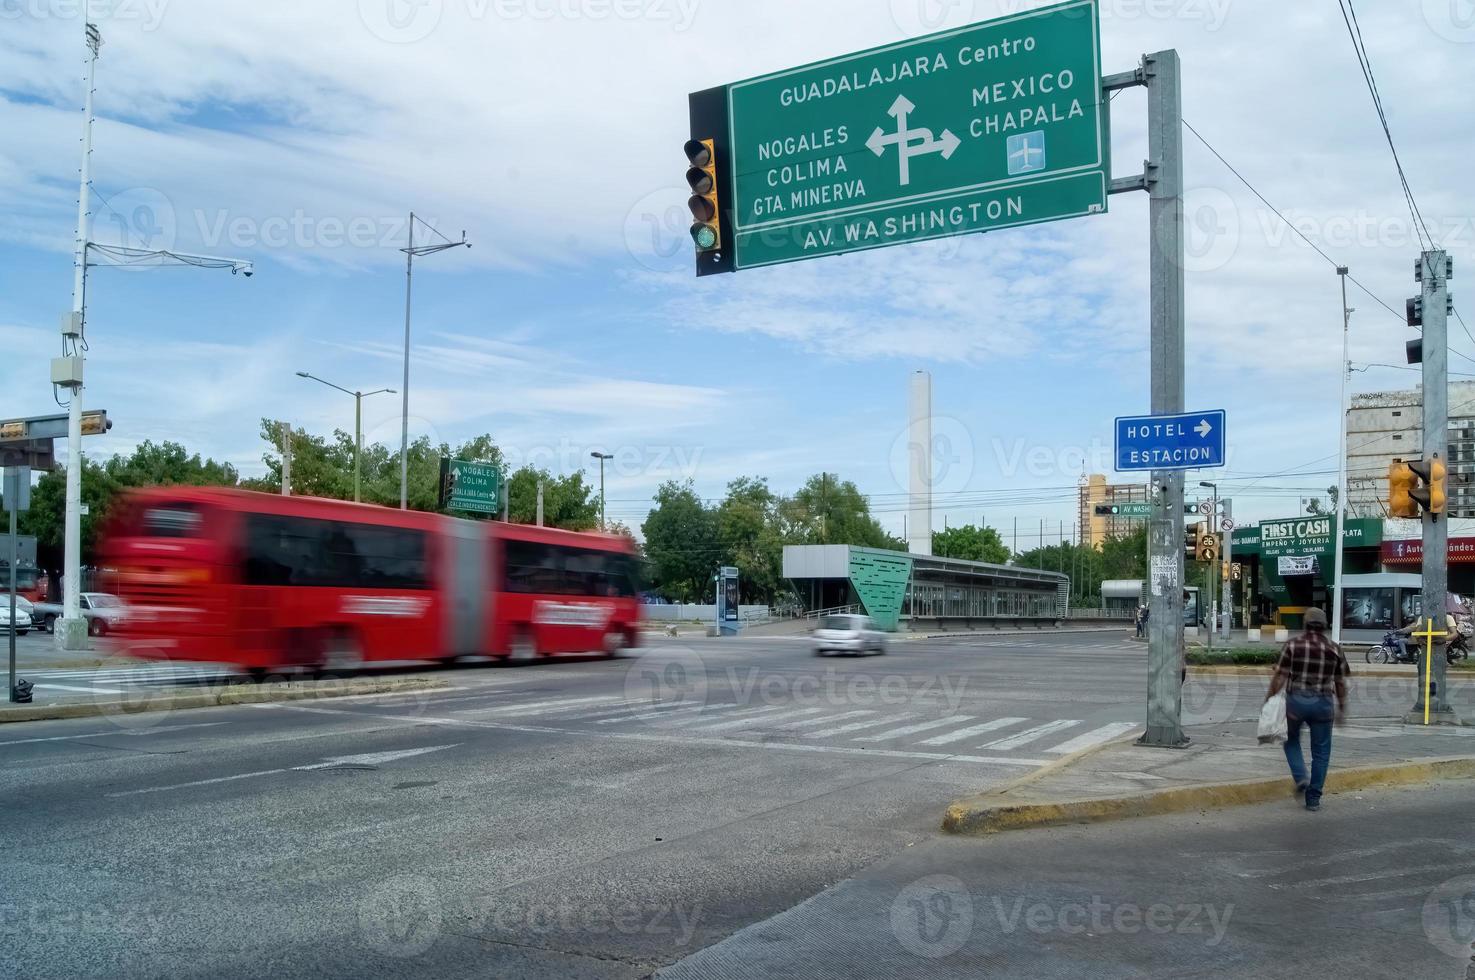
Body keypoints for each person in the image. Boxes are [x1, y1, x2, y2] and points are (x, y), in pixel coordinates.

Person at [1265, 607, 1349, 812]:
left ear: (1305, 624)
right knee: (1321, 752)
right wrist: (1341, 709)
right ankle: (1313, 798)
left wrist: (1269, 698)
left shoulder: (1292, 645)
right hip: (1323, 704)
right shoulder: (1335, 649)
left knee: (1290, 740)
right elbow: (1340, 683)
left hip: (1296, 702)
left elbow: (1280, 676)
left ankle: (1301, 777)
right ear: (1325, 625)